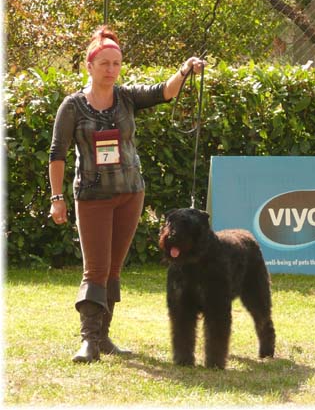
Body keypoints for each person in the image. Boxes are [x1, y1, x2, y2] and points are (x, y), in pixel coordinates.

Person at [49, 25, 205, 363]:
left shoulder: (127, 97)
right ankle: (88, 341)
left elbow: (165, 92)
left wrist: (185, 69)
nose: (111, 69)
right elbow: (57, 153)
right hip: (91, 196)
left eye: (117, 63)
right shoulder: (72, 106)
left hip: (130, 193)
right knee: (96, 269)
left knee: (114, 268)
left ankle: (104, 337)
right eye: (104, 63)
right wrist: (56, 197)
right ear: (89, 66)